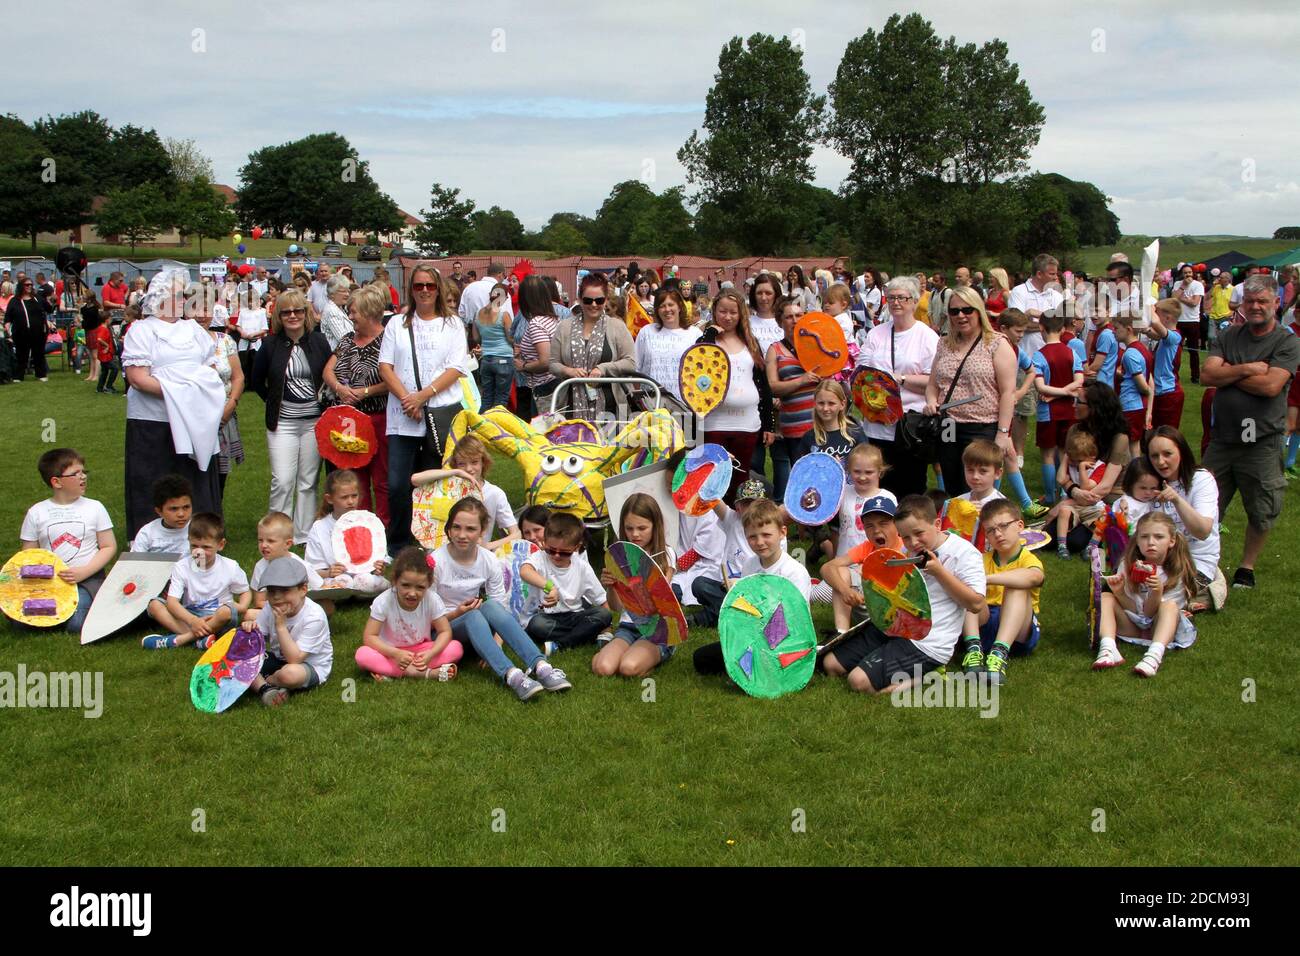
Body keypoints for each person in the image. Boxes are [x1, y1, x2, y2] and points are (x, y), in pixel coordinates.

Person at [823, 494, 985, 695]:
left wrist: (939, 572)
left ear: (936, 523)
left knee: (858, 681)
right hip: (894, 626)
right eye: (906, 537)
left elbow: (976, 605)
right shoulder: (908, 552)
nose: (913, 542)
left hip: (928, 642)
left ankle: (926, 675)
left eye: (918, 533)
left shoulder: (964, 553)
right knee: (831, 665)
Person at [1199, 273, 1300, 590]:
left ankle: (1246, 567)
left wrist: (1227, 373)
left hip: (1261, 440)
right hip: (1223, 438)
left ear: (1276, 303)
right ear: (1242, 304)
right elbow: (1206, 375)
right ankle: (1204, 563)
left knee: (1261, 507)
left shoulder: (1287, 342)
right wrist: (1247, 369)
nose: (1256, 307)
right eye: (1250, 301)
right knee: (1207, 503)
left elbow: (1271, 386)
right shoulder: (1230, 334)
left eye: (1263, 301)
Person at [121, 269, 224, 539]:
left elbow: (210, 370)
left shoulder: (194, 330)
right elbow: (138, 377)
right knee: (154, 478)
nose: (185, 300)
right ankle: (149, 539)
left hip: (194, 421)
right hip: (154, 422)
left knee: (193, 478)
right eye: (179, 294)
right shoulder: (142, 331)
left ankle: (200, 536)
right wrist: (180, 393)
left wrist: (194, 394)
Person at [436, 500, 574, 699]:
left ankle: (542, 666)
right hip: (442, 628)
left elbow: (500, 606)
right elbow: (426, 615)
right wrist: (459, 612)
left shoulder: (489, 559)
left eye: (470, 528)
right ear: (448, 529)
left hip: (476, 627)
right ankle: (513, 676)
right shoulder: (436, 561)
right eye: (456, 527)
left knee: (490, 605)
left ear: (482, 532)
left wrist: (496, 642)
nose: (462, 535)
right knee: (474, 615)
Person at [378, 265, 470, 554]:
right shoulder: (397, 324)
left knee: (435, 481)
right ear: (411, 289)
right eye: (419, 286)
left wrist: (423, 396)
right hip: (403, 415)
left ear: (439, 288)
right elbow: (385, 366)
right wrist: (409, 399)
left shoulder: (453, 324)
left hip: (440, 413)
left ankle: (435, 542)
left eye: (430, 285)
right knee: (397, 484)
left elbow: (456, 367)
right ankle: (398, 544)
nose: (425, 291)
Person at [691, 499, 811, 677]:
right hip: (755, 634)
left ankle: (759, 668)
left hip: (786, 640)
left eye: (766, 535)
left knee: (760, 664)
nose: (760, 542)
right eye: (752, 537)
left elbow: (796, 621)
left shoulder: (794, 572)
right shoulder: (750, 564)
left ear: (782, 533)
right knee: (701, 658)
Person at [251, 289, 331, 544]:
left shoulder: (318, 342)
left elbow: (329, 375)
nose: (293, 316)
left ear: (306, 313)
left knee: (308, 481)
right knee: (283, 479)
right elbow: (256, 380)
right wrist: (275, 401)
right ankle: (277, 532)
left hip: (314, 423)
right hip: (282, 423)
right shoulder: (270, 345)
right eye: (286, 312)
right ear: (279, 316)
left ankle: (303, 534)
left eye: (298, 310)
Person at [925, 286, 1018, 496]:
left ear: (979, 311)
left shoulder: (996, 343)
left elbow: (1007, 393)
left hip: (981, 425)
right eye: (954, 311)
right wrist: (931, 401)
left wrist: (1003, 433)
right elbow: (933, 385)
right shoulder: (944, 344)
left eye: (967, 310)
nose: (961, 316)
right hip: (948, 424)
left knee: (976, 485)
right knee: (952, 481)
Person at [18, 448, 116, 634]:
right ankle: (49, 615)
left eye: (83, 472)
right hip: (50, 581)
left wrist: (84, 572)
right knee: (21, 621)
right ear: (56, 482)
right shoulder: (37, 512)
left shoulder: (95, 507)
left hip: (88, 580)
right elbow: (28, 556)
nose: (83, 477)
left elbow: (108, 546)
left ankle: (58, 616)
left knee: (76, 624)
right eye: (75, 474)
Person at [855, 276, 938, 497]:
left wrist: (899, 379)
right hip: (876, 424)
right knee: (878, 488)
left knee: (910, 488)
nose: (896, 302)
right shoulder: (876, 333)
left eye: (902, 297)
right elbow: (859, 373)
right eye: (891, 298)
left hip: (909, 428)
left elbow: (935, 382)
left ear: (914, 301)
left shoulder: (927, 337)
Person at [1091, 512, 1199, 677]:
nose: (1151, 542)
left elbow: (1150, 614)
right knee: (1107, 597)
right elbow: (1136, 611)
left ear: (1172, 541)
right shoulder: (1127, 566)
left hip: (1160, 628)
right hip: (1132, 625)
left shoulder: (1176, 573)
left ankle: (1154, 656)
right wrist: (1120, 593)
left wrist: (1157, 593)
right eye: (1144, 537)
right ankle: (1108, 648)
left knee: (1169, 605)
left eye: (1158, 537)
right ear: (1137, 540)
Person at [321, 284, 391, 523]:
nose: (350, 317)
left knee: (381, 478)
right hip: (348, 421)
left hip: (378, 418)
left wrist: (365, 392)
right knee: (355, 478)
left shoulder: (387, 340)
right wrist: (339, 388)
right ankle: (357, 525)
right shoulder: (347, 340)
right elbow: (327, 370)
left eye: (354, 312)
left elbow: (395, 379)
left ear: (370, 312)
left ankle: (382, 527)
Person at [700, 289, 776, 501]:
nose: (728, 317)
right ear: (715, 311)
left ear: (741, 313)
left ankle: (739, 524)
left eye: (733, 312)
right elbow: (696, 366)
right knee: (713, 477)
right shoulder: (707, 340)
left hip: (746, 423)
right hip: (714, 423)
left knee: (740, 478)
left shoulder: (750, 342)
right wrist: (709, 335)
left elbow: (764, 385)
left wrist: (769, 423)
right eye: (723, 311)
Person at [959, 497, 1044, 685]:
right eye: (991, 530)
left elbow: (1035, 577)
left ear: (1019, 525)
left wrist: (987, 579)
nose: (998, 534)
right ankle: (973, 650)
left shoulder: (1028, 558)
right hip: (985, 623)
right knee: (968, 588)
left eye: (1003, 526)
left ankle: (999, 654)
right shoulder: (980, 559)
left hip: (1019, 632)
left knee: (1017, 587)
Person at [593, 494, 678, 678]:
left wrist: (634, 583)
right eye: (629, 528)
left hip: (657, 630)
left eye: (642, 528)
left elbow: (659, 606)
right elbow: (616, 608)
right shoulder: (620, 556)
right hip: (627, 627)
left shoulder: (665, 554)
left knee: (628, 668)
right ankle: (621, 652)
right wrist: (612, 586)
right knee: (603, 668)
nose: (635, 534)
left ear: (655, 526)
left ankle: (659, 653)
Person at [1142, 426, 1224, 611]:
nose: (1161, 461)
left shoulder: (1201, 480)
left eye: (1167, 454)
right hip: (1158, 558)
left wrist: (1177, 499)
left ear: (1182, 452)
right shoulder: (1148, 483)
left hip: (1194, 560)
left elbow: (1202, 531)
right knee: (1132, 584)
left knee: (1161, 597)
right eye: (1154, 456)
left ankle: (1205, 592)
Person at [141, 512, 250, 649]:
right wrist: (192, 620)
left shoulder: (230, 566)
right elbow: (172, 602)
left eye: (206, 547)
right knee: (154, 605)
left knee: (225, 612)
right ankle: (201, 640)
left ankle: (180, 640)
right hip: (191, 615)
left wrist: (242, 607)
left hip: (218, 617)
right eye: (194, 546)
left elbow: (245, 592)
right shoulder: (181, 566)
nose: (199, 552)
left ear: (221, 545)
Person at [356, 546, 462, 682]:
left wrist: (431, 653)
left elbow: (445, 631)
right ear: (395, 581)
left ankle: (392, 672)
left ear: (429, 584)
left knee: (455, 648)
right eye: (406, 585)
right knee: (363, 655)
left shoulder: (432, 599)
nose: (412, 593)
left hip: (420, 650)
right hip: (390, 651)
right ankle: (424, 673)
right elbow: (369, 637)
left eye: (420, 587)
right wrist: (395, 653)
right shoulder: (383, 601)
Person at [519, 511, 612, 655]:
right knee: (537, 624)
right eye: (551, 550)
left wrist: (607, 627)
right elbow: (525, 571)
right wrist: (550, 587)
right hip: (548, 617)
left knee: (603, 615)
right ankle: (583, 635)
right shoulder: (539, 558)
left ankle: (561, 644)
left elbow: (602, 601)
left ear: (576, 548)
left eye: (564, 553)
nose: (556, 555)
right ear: (545, 541)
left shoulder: (581, 567)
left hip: (575, 615)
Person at [549, 272, 636, 421]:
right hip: (571, 407)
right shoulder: (564, 327)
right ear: (579, 300)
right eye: (588, 300)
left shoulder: (617, 326)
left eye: (599, 300)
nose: (594, 305)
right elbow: (552, 363)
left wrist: (603, 369)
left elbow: (630, 362)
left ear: (606, 300)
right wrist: (568, 371)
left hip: (611, 410)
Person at [690, 478, 776, 627]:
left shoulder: (772, 532)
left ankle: (706, 617)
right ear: (737, 507)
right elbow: (711, 495)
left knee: (757, 604)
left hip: (754, 592)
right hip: (726, 587)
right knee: (699, 585)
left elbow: (771, 579)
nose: (750, 509)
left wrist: (741, 584)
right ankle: (734, 615)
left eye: (756, 504)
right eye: (745, 504)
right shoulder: (732, 520)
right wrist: (716, 465)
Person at [250, 556, 333, 707]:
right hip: (278, 659)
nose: (276, 597)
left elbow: (295, 659)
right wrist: (250, 630)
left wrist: (281, 626)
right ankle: (267, 690)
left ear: (303, 589)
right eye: (271, 591)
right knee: (244, 660)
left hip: (308, 665)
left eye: (285, 590)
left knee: (290, 674)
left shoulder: (315, 616)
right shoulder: (270, 607)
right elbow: (257, 639)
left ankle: (268, 682)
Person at [411, 434, 519, 548]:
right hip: (442, 550)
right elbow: (415, 479)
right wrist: (455, 473)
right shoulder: (448, 487)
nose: (468, 469)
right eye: (462, 464)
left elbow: (516, 534)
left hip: (476, 554)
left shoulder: (495, 493)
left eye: (474, 462)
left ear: (483, 462)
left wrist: (488, 545)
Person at [304, 469, 389, 612]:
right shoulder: (320, 528)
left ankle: (363, 592)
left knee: (368, 581)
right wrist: (329, 572)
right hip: (334, 579)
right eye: (344, 497)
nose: (350, 502)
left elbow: (380, 556)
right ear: (329, 499)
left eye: (354, 496)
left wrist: (379, 568)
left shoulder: (368, 521)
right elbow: (311, 571)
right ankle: (346, 594)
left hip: (365, 576)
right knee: (342, 582)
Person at [819, 495, 904, 633]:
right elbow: (827, 567)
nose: (876, 530)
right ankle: (841, 633)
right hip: (868, 609)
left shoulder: (906, 548)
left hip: (899, 613)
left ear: (897, 525)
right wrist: (845, 591)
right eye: (870, 525)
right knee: (840, 573)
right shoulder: (867, 547)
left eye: (883, 523)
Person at [765, 295, 819, 500]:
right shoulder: (775, 350)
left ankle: (822, 525)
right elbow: (773, 387)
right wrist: (802, 380)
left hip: (820, 422)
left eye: (799, 315)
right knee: (801, 478)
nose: (795, 320)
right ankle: (803, 526)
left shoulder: (816, 344)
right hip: (794, 427)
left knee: (821, 476)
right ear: (780, 321)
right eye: (789, 317)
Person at [1031, 308, 1085, 507]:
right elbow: (1079, 380)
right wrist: (1066, 392)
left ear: (1041, 328)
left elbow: (1041, 386)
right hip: (1069, 409)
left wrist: (1054, 395)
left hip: (1048, 413)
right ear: (1063, 329)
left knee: (1047, 454)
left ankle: (1050, 495)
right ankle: (1064, 492)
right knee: (1064, 452)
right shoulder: (1071, 352)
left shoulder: (1039, 355)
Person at [194, 290, 245, 498]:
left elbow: (238, 377)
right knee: (195, 475)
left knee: (219, 476)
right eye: (194, 309)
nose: (200, 315)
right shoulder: (180, 343)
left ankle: (215, 520)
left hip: (224, 414)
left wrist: (231, 403)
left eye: (205, 309)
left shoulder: (225, 341)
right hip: (194, 416)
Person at [635, 287, 702, 404]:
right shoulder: (646, 332)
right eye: (662, 306)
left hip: (685, 405)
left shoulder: (695, 334)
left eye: (671, 305)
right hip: (652, 403)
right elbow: (636, 368)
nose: (667, 309)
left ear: (680, 306)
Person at [246, 512, 320, 616]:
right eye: (260, 540)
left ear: (287, 544)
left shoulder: (298, 564)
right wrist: (281, 609)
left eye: (270, 541)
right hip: (274, 610)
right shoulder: (260, 567)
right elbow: (259, 601)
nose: (264, 545)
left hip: (299, 609)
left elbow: (319, 586)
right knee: (250, 615)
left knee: (327, 606)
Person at [514, 274, 559, 418]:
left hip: (544, 388)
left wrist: (523, 366)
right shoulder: (551, 319)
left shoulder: (536, 323)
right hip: (553, 385)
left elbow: (545, 361)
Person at [1007, 253, 1064, 357]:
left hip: (1052, 359)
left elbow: (1062, 326)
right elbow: (1016, 325)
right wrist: (1051, 325)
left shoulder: (1056, 295)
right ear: (1039, 274)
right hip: (1026, 359)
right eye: (1052, 274)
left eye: (1056, 274)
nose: (1056, 277)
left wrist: (1029, 319)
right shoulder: (1019, 292)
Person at [473, 281, 515, 411]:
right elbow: (510, 338)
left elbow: (476, 338)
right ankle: (497, 429)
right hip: (504, 359)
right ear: (504, 298)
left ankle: (480, 426)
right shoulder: (503, 315)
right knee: (501, 401)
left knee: (486, 399)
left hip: (486, 360)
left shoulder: (478, 314)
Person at [1146, 298, 1185, 431]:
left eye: (1158, 313)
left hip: (1168, 393)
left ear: (1167, 318)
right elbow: (1156, 334)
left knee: (1166, 434)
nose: (1155, 314)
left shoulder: (1174, 337)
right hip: (1162, 392)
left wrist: (1149, 307)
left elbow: (1155, 323)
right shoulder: (1168, 336)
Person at [130, 474, 192, 554]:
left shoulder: (201, 529)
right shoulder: (147, 533)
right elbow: (135, 563)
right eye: (174, 509)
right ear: (159, 511)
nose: (181, 514)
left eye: (186, 507)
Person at [6, 277, 49, 382]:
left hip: (38, 332)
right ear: (21, 286)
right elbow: (8, 318)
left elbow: (49, 308)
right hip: (20, 333)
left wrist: (52, 300)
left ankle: (40, 374)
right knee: (21, 354)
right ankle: (18, 376)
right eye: (27, 285)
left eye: (31, 285)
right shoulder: (14, 301)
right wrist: (8, 332)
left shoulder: (37, 298)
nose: (29, 286)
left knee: (38, 353)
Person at [1172, 264, 1205, 384]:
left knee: (1193, 350)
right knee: (1176, 349)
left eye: (1190, 272)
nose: (1187, 275)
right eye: (1185, 273)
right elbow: (1173, 298)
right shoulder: (1177, 284)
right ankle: (1174, 374)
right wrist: (1183, 286)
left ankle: (1195, 376)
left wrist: (1181, 298)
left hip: (1192, 321)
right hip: (1179, 320)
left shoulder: (1198, 285)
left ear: (1193, 273)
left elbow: (1194, 302)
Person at [318, 273, 353, 350]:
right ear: (332, 294)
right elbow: (344, 339)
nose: (347, 294)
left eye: (348, 291)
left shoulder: (339, 308)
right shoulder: (331, 311)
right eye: (343, 291)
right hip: (338, 357)